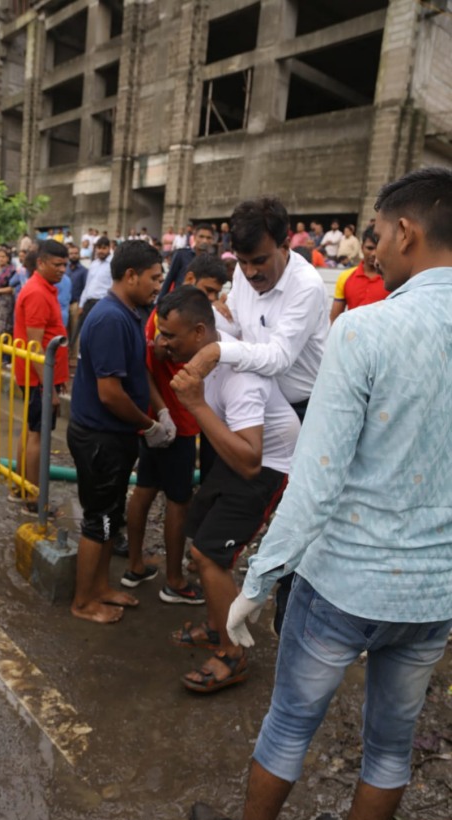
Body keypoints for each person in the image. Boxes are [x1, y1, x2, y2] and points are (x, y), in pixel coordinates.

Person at [188, 166, 452, 820]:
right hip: (433, 593)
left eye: (378, 234)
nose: (373, 249)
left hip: (345, 580)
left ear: (406, 232)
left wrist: (260, 578)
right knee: (391, 742)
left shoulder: (365, 328)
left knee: (290, 724)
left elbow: (317, 478)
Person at [186, 198, 328, 634]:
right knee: (224, 514)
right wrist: (207, 320)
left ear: (285, 246)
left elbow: (279, 356)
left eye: (260, 261)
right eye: (243, 262)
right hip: (255, 403)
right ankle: (222, 614)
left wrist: (216, 349)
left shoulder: (307, 286)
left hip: (302, 409)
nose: (250, 272)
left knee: (295, 521)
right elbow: (239, 331)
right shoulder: (242, 277)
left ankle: (288, 619)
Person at [153, 287, 299, 692]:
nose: (163, 343)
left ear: (200, 333)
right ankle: (218, 625)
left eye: (170, 336)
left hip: (267, 466)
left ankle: (233, 655)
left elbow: (251, 462)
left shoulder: (241, 379)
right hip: (231, 454)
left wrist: (196, 404)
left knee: (210, 555)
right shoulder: (209, 342)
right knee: (199, 535)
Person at [68, 240, 169, 625]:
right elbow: (110, 393)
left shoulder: (129, 313)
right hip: (101, 438)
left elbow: (136, 369)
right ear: (130, 276)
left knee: (111, 516)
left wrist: (156, 410)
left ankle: (100, 588)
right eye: (154, 278)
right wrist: (149, 424)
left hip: (114, 436)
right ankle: (83, 601)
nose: (158, 285)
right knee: (100, 520)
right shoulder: (110, 318)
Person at [121, 256, 229, 605]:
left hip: (162, 419)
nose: (212, 299)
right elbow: (151, 362)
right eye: (208, 291)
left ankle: (135, 566)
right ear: (192, 278)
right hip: (176, 422)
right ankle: (174, 580)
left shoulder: (168, 313)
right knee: (178, 501)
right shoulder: (170, 318)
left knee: (145, 489)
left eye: (216, 293)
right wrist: (166, 411)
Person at [12, 240, 69, 514]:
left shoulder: (44, 288)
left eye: (65, 265)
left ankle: (20, 487)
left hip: (40, 377)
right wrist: (50, 389)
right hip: (37, 379)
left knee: (30, 430)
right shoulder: (36, 292)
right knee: (38, 434)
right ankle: (33, 499)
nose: (62, 270)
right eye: (57, 265)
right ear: (41, 263)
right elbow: (35, 347)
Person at [330, 227, 390, 324]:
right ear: (362, 248)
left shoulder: (393, 280)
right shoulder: (345, 277)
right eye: (370, 248)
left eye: (378, 248)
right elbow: (334, 319)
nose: (374, 253)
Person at [157, 223, 214, 299]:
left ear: (212, 240)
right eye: (201, 237)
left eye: (208, 238)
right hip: (179, 300)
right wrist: (160, 301)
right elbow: (169, 279)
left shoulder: (212, 261)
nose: (205, 241)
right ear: (194, 237)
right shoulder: (181, 254)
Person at [78, 236, 112, 323]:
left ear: (109, 248)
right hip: (88, 304)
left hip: (103, 303)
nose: (101, 251)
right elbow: (88, 285)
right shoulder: (93, 264)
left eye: (104, 248)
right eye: (99, 248)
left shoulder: (113, 264)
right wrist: (81, 304)